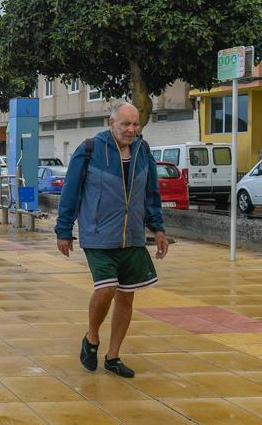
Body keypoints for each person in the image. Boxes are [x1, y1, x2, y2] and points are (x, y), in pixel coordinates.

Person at [55, 102, 168, 378]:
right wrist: (64, 229)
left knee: (126, 297)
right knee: (106, 289)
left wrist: (158, 228)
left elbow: (151, 192)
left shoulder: (143, 151)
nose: (131, 130)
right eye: (125, 124)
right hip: (98, 234)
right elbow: (71, 190)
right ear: (111, 123)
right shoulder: (90, 149)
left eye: (135, 124)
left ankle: (113, 355)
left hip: (132, 237)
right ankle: (92, 337)